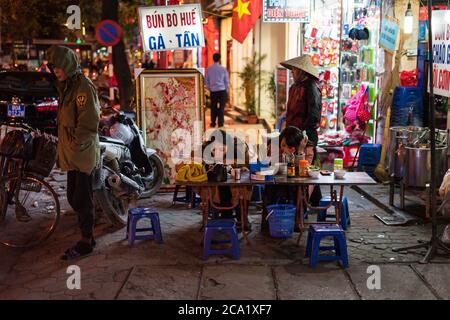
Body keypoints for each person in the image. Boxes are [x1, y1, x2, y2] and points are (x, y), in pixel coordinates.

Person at [47, 45, 100, 260]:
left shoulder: (83, 87)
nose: (55, 71)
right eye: (53, 67)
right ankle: (87, 234)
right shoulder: (66, 86)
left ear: (67, 65)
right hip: (71, 152)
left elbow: (88, 123)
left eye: (58, 67)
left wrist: (76, 143)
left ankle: (86, 240)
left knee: (82, 198)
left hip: (83, 152)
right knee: (72, 196)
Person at [280, 55, 322, 205]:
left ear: (302, 72)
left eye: (294, 71)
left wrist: (302, 134)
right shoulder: (294, 88)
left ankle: (310, 201)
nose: (292, 73)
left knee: (306, 168)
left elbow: (314, 115)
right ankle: (300, 200)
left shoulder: (312, 87)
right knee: (293, 167)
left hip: (305, 136)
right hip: (292, 134)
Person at [205, 53, 229, 128]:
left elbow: (206, 81)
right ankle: (221, 123)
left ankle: (213, 123)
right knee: (221, 108)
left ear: (213, 59)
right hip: (222, 90)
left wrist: (210, 88)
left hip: (213, 91)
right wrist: (226, 91)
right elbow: (226, 81)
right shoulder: (223, 69)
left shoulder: (209, 69)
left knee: (213, 107)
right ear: (219, 59)